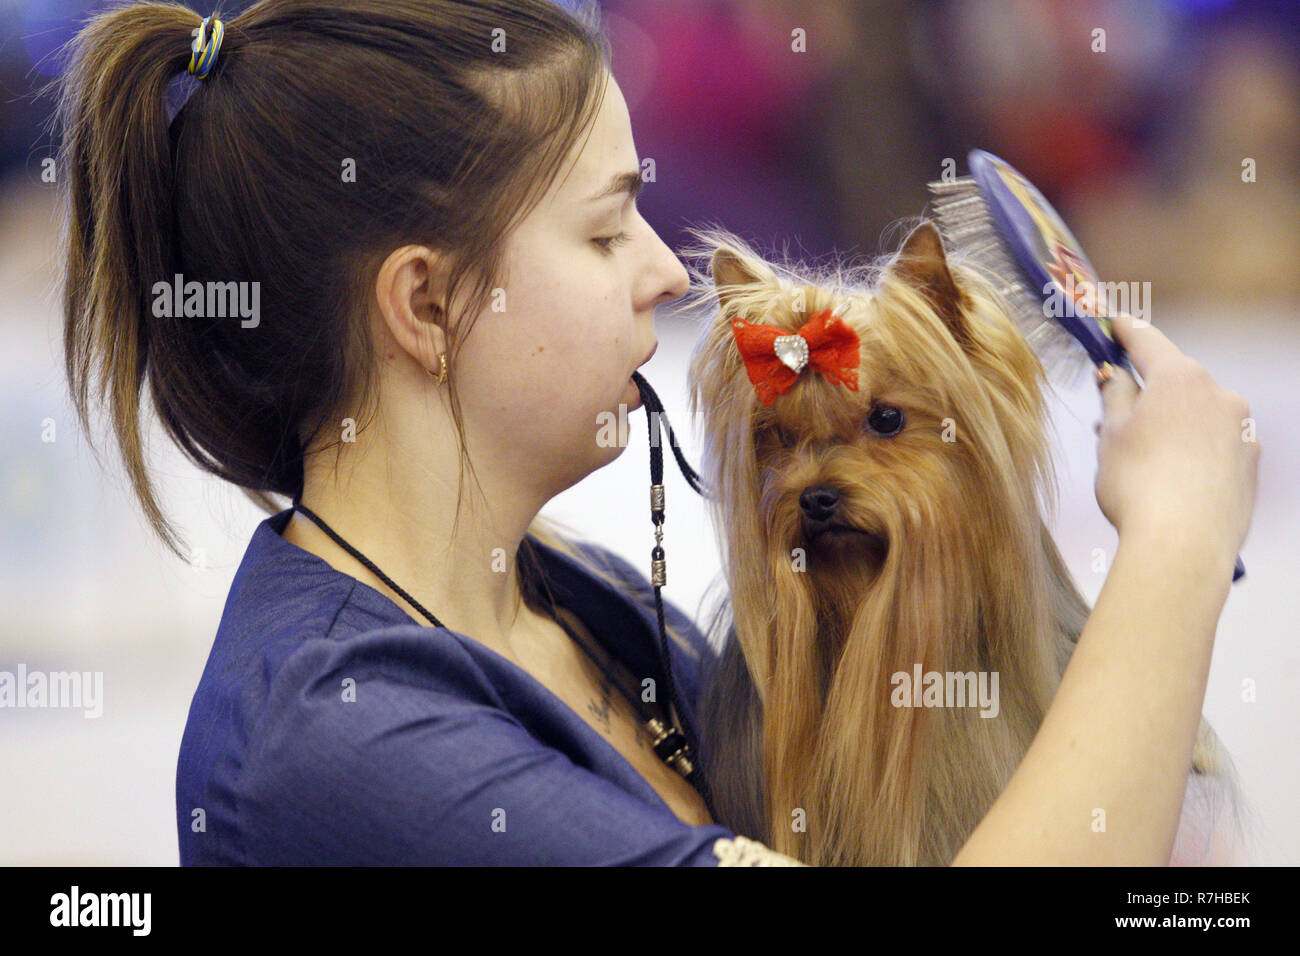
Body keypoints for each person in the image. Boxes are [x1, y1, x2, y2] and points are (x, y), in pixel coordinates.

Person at [51, 0, 1259, 866]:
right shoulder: (341, 739)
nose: (658, 275)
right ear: (427, 304)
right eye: (606, 227)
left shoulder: (585, 602)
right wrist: (1175, 550)